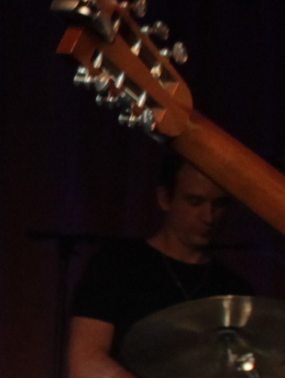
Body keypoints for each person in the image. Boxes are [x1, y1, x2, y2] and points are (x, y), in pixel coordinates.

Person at [68, 155, 251, 378]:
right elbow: (86, 360)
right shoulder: (116, 265)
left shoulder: (235, 290)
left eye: (219, 204)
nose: (209, 217)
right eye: (195, 202)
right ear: (165, 198)